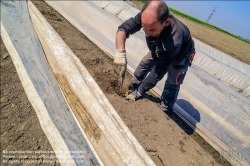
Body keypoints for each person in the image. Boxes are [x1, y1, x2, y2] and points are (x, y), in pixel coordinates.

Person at [114, 0, 195, 113]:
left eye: (152, 30)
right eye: (144, 28)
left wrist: (140, 92)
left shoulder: (173, 42)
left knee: (172, 82)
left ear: (166, 22)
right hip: (160, 44)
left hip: (182, 54)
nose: (146, 34)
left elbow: (158, 72)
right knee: (145, 63)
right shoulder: (147, 17)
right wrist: (120, 53)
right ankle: (133, 85)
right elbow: (123, 29)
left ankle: (165, 109)